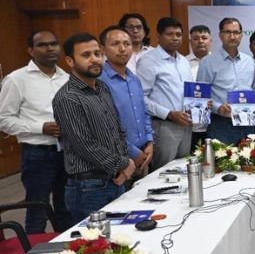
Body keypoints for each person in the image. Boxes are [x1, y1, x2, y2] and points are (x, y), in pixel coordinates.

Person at [52, 33, 135, 225]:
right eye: (86, 55)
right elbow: (84, 145)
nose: (95, 59)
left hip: (116, 179)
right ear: (70, 60)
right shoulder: (68, 98)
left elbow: (117, 130)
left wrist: (124, 166)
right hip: (88, 187)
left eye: (97, 53)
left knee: (121, 240)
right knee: (95, 246)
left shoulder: (102, 88)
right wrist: (123, 163)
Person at [0, 30, 72, 232]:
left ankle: (67, 253)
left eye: (54, 44)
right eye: (42, 45)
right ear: (31, 50)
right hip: (37, 153)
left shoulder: (66, 78)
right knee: (37, 208)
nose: (50, 48)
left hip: (66, 151)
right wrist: (40, 127)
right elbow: (3, 119)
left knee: (65, 206)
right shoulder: (17, 79)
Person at [97, 26, 154, 186]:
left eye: (126, 44)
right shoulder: (99, 82)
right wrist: (133, 152)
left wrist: (150, 142)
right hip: (118, 161)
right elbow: (106, 125)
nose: (122, 49)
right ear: (102, 49)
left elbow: (144, 113)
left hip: (143, 155)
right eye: (115, 44)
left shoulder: (134, 79)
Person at [138, 17, 194, 170]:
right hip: (164, 125)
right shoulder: (148, 61)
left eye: (178, 34)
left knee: (183, 170)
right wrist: (168, 114)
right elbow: (140, 98)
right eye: (170, 34)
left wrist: (200, 105)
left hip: (186, 124)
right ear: (159, 36)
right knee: (163, 173)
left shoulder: (183, 61)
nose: (175, 38)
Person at [197, 17, 255, 144]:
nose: (232, 36)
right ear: (220, 35)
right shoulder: (207, 62)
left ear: (241, 36)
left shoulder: (249, 61)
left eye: (236, 32)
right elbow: (200, 97)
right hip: (221, 123)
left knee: (249, 162)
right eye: (227, 32)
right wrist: (218, 108)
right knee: (222, 162)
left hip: (248, 122)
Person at [185, 24, 213, 151]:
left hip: (215, 124)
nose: (200, 41)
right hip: (189, 125)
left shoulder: (219, 62)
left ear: (210, 41)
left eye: (204, 38)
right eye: (196, 38)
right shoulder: (182, 63)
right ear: (190, 41)